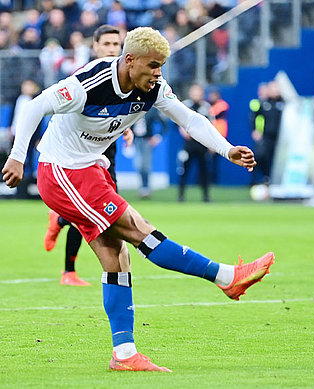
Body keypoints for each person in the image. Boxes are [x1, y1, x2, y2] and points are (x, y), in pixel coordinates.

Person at [2, 27, 274, 372]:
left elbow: (189, 118)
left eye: (162, 66)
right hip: (63, 170)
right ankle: (226, 277)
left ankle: (125, 354)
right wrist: (17, 155)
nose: (158, 73)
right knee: (140, 230)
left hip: (91, 169)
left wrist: (226, 149)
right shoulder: (90, 82)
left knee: (117, 257)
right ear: (129, 61)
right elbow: (35, 106)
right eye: (153, 65)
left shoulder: (154, 87)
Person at [43, 24, 134, 287]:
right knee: (94, 212)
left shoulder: (123, 76)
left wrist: (125, 130)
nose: (111, 49)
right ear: (95, 47)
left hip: (108, 150)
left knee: (101, 212)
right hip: (81, 153)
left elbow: (124, 111)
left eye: (116, 45)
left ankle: (59, 219)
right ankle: (69, 271)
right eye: (106, 44)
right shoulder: (85, 77)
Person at [178, 83, 213, 202]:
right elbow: (177, 119)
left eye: (198, 92)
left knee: (204, 171)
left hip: (202, 144)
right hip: (189, 145)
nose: (196, 94)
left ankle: (206, 196)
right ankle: (181, 195)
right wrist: (183, 130)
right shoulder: (185, 105)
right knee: (184, 170)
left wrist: (210, 143)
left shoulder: (206, 107)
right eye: (194, 92)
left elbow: (211, 125)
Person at [250, 80, 284, 185]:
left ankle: (278, 181)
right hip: (267, 136)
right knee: (261, 156)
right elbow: (254, 116)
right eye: (272, 88)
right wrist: (255, 130)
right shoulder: (263, 104)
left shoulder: (284, 103)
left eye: (276, 88)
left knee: (279, 159)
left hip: (281, 137)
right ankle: (265, 178)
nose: (275, 90)